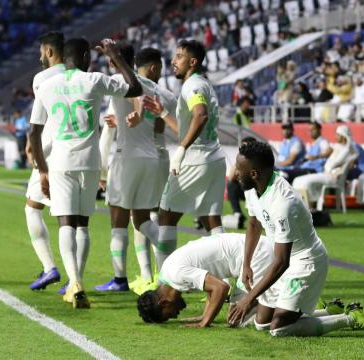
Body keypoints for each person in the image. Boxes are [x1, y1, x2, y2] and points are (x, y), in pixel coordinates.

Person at [29, 37, 142, 309]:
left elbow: (34, 132)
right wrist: (116, 56)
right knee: (82, 224)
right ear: (82, 56)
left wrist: (42, 171)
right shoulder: (94, 80)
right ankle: (74, 282)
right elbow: (134, 87)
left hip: (60, 163)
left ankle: (75, 281)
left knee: (65, 222)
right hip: (90, 161)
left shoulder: (46, 86)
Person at [226, 141, 364, 337]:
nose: (235, 173)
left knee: (279, 329)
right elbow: (254, 224)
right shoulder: (251, 188)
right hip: (282, 261)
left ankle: (350, 318)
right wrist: (246, 265)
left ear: (254, 174)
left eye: (239, 169)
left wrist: (248, 298)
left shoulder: (282, 203)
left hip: (306, 263)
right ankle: (328, 311)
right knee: (262, 324)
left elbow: (283, 262)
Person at [95, 44, 177, 292]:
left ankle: (119, 279)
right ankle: (170, 265)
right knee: (143, 220)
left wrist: (102, 170)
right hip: (154, 157)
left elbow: (136, 97)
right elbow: (160, 130)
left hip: (128, 157)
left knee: (118, 220)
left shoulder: (120, 80)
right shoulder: (166, 94)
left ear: (115, 62)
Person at [142, 39, 227, 271]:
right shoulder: (203, 84)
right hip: (214, 158)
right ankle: (230, 283)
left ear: (193, 61)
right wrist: (164, 113)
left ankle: (166, 281)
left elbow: (200, 116)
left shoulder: (192, 86)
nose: (173, 61)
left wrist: (181, 150)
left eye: (179, 56)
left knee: (166, 217)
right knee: (212, 221)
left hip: (194, 159)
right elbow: (187, 127)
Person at [137, 233, 275, 327]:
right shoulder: (167, 273)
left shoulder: (176, 274)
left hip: (257, 254)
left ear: (163, 303)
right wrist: (204, 315)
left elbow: (220, 288)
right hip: (254, 251)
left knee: (237, 320)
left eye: (168, 315)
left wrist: (205, 322)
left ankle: (283, 307)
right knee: (236, 315)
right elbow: (210, 287)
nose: (175, 316)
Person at [24, 31, 66, 291]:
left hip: (49, 150)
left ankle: (50, 267)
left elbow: (37, 123)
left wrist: (32, 148)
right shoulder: (78, 75)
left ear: (49, 51)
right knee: (72, 217)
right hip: (77, 151)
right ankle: (75, 278)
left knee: (33, 207)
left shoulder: (42, 78)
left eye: (41, 51)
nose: (40, 56)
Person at [293, 125, 358, 207]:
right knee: (297, 180)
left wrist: (327, 163)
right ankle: (301, 206)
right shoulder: (337, 147)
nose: (335, 136)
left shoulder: (346, 151)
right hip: (326, 174)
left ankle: (310, 206)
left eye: (337, 134)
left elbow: (334, 164)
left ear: (343, 135)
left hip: (332, 177)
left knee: (306, 182)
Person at [225, 137, 258, 230]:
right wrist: (239, 161)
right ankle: (238, 214)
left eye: (245, 147)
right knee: (231, 185)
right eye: (241, 148)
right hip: (247, 190)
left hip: (259, 191)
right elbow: (231, 177)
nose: (242, 150)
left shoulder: (259, 159)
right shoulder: (242, 160)